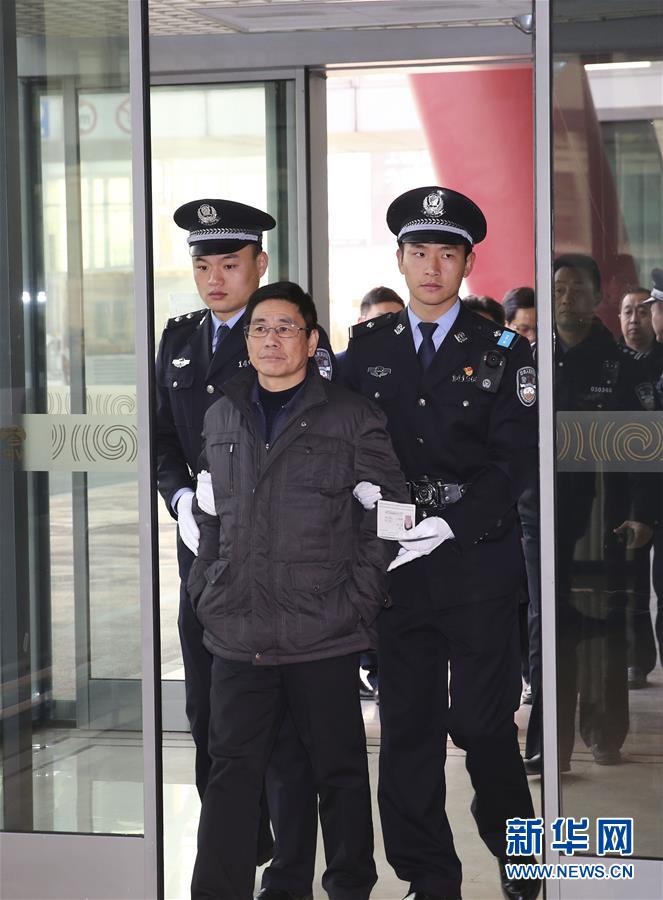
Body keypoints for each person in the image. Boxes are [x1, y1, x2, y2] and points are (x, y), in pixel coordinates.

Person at [340, 186, 540, 900]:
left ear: (467, 263)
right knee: (408, 730)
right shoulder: (367, 350)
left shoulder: (503, 350)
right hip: (399, 567)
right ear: (399, 259)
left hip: (477, 561)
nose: (431, 267)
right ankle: (429, 877)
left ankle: (522, 857)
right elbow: (343, 441)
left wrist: (452, 522)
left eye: (446, 253)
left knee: (482, 726)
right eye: (418, 252)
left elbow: (516, 459)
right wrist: (363, 496)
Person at [187, 280, 408, 900]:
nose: (271, 339)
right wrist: (208, 582)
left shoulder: (351, 415)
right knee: (232, 776)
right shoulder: (221, 414)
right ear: (246, 341)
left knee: (338, 775)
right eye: (260, 328)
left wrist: (358, 596)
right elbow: (212, 513)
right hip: (239, 630)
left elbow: (391, 511)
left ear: (312, 341)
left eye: (286, 328)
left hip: (323, 629)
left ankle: (348, 888)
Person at [155, 199, 334, 898]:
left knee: (283, 729)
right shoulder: (178, 338)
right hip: (203, 559)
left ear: (259, 264)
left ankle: (287, 870)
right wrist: (179, 499)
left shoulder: (280, 338)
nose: (214, 278)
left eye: (229, 264)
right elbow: (162, 440)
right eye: (203, 265)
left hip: (276, 560)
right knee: (208, 711)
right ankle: (240, 843)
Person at [551, 254, 657, 770]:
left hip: (605, 519)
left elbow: (643, 450)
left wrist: (643, 515)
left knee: (606, 627)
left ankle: (604, 732)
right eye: (559, 289)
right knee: (551, 632)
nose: (567, 297)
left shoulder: (621, 366)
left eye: (577, 288)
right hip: (548, 520)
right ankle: (553, 742)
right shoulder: (533, 362)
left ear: (597, 299)